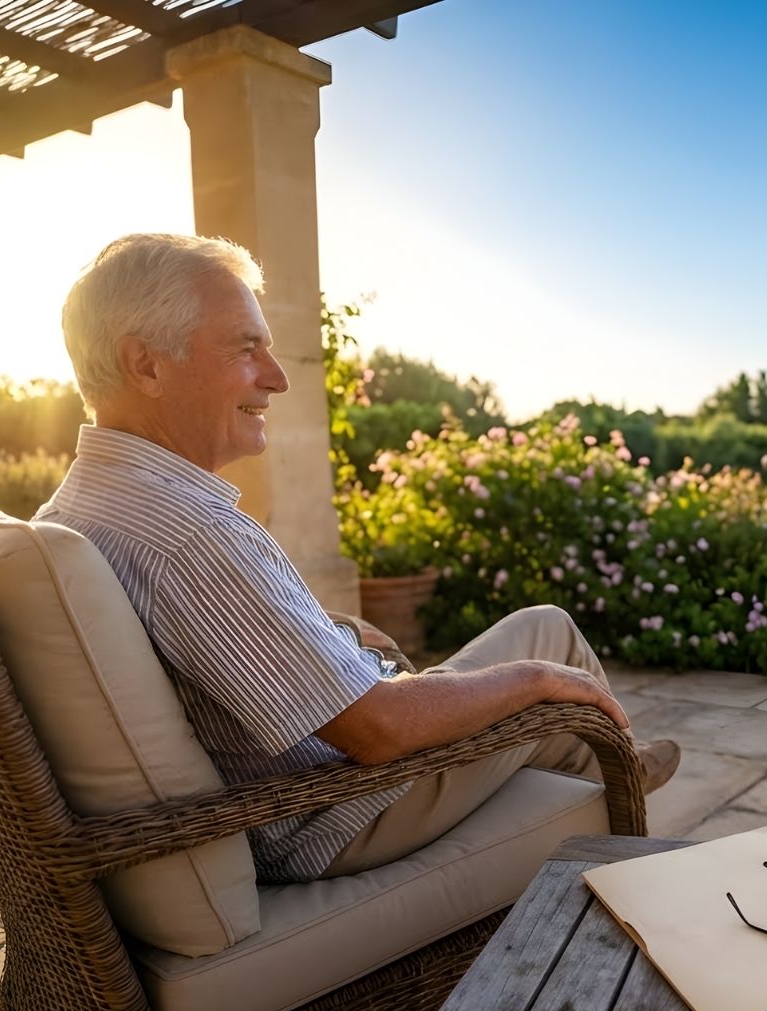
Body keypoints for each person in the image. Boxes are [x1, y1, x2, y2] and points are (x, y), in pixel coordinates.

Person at [37, 233, 679, 884]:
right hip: (334, 809)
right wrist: (537, 681)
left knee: (537, 645)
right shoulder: (188, 533)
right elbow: (377, 727)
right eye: (245, 347)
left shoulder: (82, 506)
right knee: (553, 652)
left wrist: (332, 629)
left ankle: (602, 786)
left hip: (300, 785)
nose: (277, 376)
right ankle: (619, 821)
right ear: (145, 365)